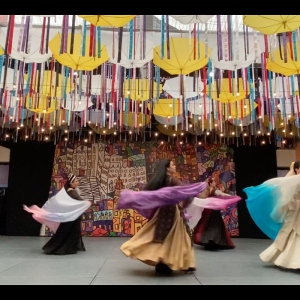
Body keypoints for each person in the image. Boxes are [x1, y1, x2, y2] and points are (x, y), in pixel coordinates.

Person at [119, 159, 198, 275]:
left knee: (161, 236)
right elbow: (185, 191)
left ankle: (177, 262)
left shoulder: (160, 181)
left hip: (162, 212)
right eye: (172, 164)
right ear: (167, 168)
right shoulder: (172, 180)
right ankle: (179, 262)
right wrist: (194, 191)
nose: (175, 166)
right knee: (177, 237)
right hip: (171, 212)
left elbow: (149, 192)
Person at [243, 161, 300, 269]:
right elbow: (286, 196)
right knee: (291, 231)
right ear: (296, 169)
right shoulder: (293, 181)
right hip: (296, 210)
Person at [24, 173, 92, 255]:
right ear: (71, 183)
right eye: (76, 181)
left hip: (72, 217)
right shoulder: (71, 192)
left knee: (68, 232)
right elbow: (79, 200)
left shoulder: (69, 191)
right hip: (71, 218)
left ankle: (70, 247)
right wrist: (87, 203)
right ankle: (63, 248)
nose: (77, 182)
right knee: (68, 232)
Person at [193, 177, 235, 250]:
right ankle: (212, 241)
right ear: (211, 183)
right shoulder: (211, 190)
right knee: (214, 226)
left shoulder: (207, 191)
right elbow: (221, 194)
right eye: (214, 182)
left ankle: (209, 241)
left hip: (209, 211)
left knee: (208, 226)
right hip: (212, 212)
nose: (215, 183)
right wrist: (232, 196)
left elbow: (202, 197)